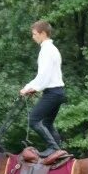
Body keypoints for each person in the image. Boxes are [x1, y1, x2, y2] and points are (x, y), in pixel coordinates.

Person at [20, 20, 67, 157]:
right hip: (58, 92)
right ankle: (59, 150)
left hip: (52, 93)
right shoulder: (52, 49)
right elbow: (45, 76)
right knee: (47, 122)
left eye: (34, 34)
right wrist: (29, 87)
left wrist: (31, 88)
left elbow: (44, 77)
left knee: (34, 120)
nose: (33, 37)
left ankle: (53, 147)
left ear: (43, 33)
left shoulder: (46, 50)